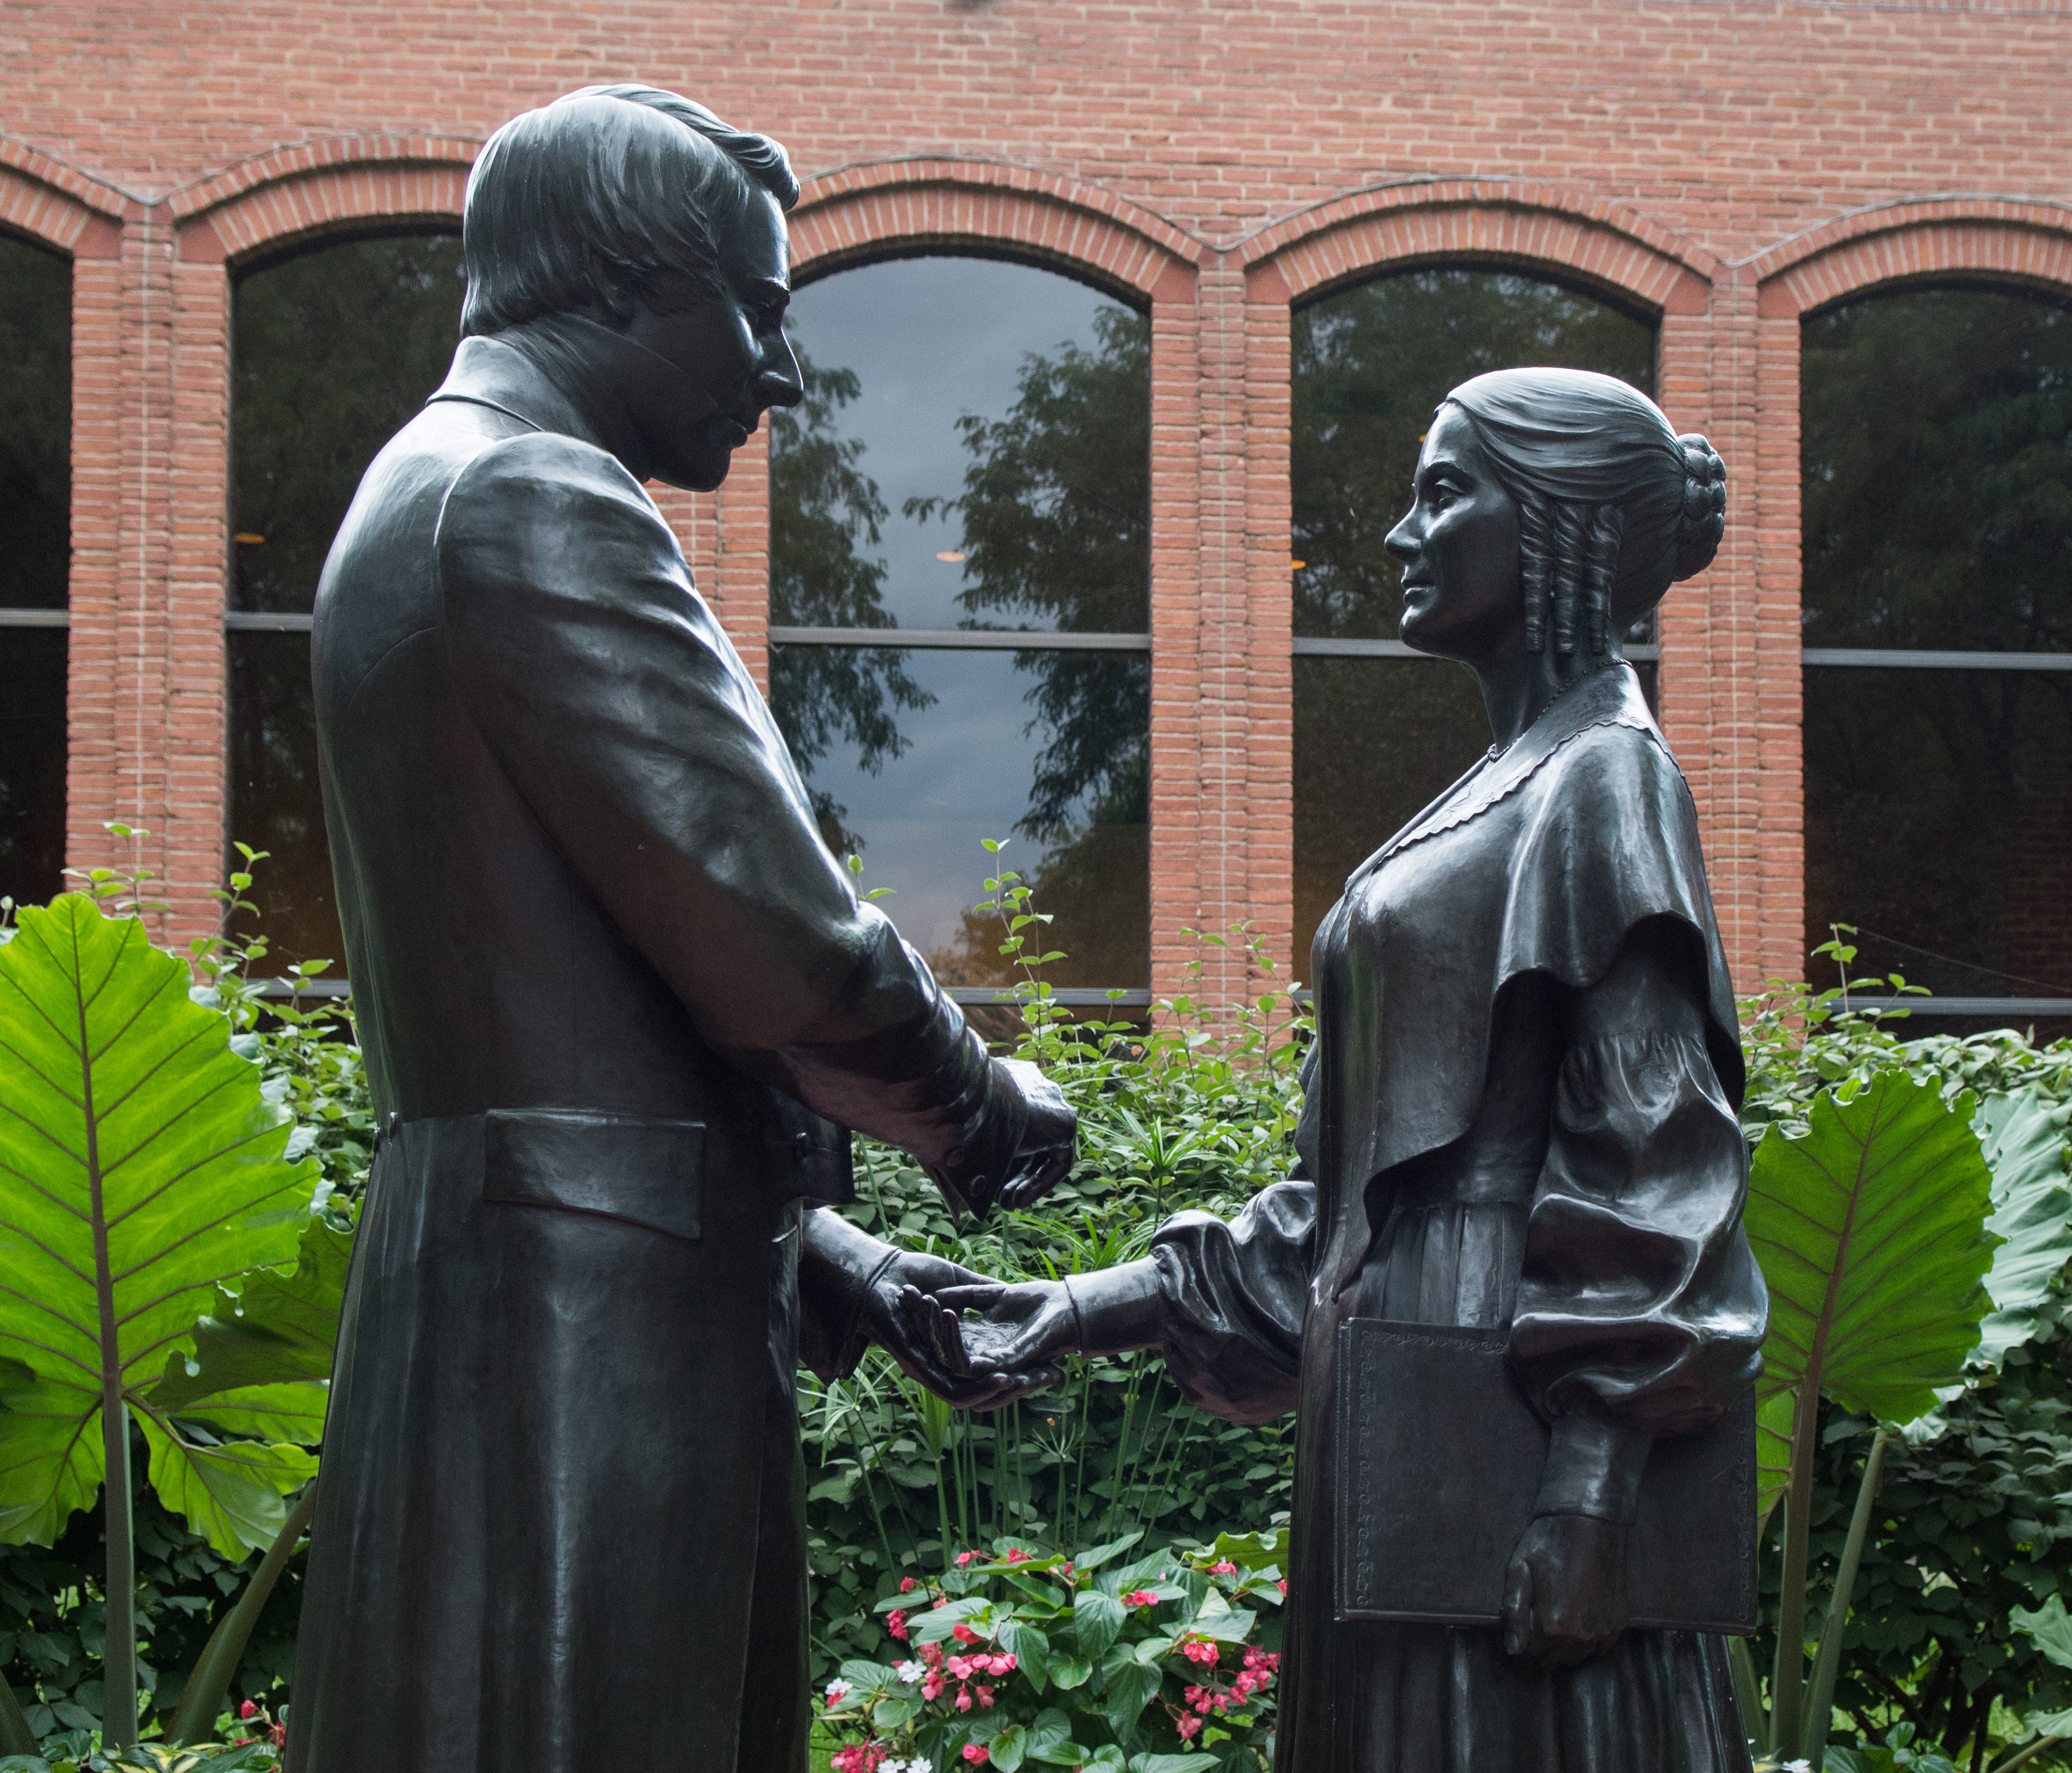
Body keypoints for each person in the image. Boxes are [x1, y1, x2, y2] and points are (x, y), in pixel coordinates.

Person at [290, 87, 1074, 1773]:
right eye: (758, 311)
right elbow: (783, 954)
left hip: (498, 1291)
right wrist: (986, 1113)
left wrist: (833, 1254)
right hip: (587, 1343)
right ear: (624, 284)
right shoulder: (537, 498)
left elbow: (568, 1004)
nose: (780, 372)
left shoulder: (410, 496)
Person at [927, 369, 1768, 1772]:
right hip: (1405, 1385)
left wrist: (1588, 1493)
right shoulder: (1508, 779)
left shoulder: (1605, 777)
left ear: (1554, 526)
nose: (1398, 533)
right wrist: (1068, 1309)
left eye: (1443, 492)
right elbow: (1337, 1210)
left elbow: (1658, 1160)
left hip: (1495, 1408)